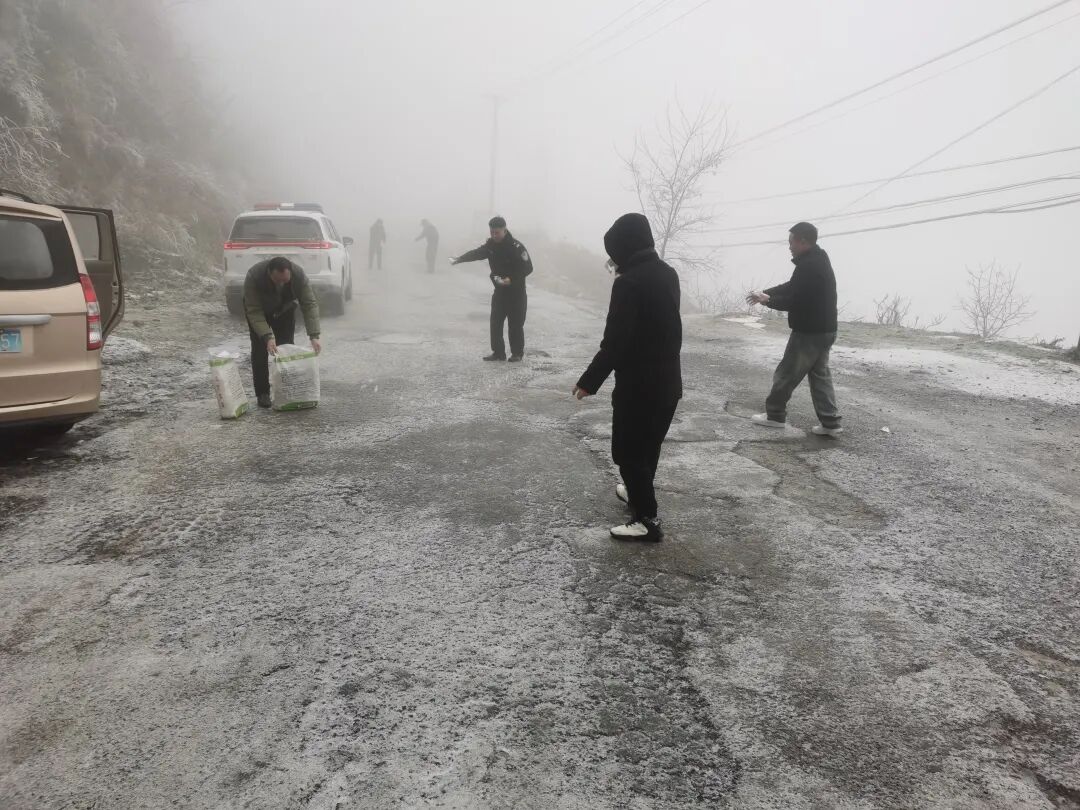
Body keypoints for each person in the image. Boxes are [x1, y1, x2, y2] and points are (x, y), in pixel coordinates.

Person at [573, 213, 682, 542]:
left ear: (624, 247)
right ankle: (637, 493)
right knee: (648, 448)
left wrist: (589, 381)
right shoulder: (667, 273)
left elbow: (615, 342)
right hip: (668, 383)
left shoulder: (628, 283)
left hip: (639, 387)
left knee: (628, 452)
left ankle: (647, 520)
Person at [746, 221, 842, 436]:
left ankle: (774, 415)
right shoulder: (818, 258)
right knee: (820, 376)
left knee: (787, 373)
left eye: (791, 242)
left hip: (809, 332)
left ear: (803, 241)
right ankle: (830, 423)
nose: (789, 247)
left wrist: (768, 301)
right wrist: (767, 293)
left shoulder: (809, 266)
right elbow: (793, 287)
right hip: (826, 330)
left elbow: (795, 301)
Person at [451, 216, 533, 362]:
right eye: (492, 232)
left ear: (504, 230)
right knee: (495, 323)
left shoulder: (517, 247)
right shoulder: (491, 246)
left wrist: (511, 279)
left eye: (497, 232)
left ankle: (517, 354)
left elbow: (528, 268)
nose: (494, 235)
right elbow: (476, 253)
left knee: (515, 324)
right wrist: (460, 259)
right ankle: (498, 353)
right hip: (500, 292)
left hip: (516, 293)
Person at [244, 256, 322, 409]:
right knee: (260, 350)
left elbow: (309, 304)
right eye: (277, 280)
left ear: (290, 273)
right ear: (269, 273)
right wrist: (267, 336)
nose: (281, 284)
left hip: (285, 310)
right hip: (259, 311)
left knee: (286, 349)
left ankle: (288, 389)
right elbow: (253, 310)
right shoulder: (254, 276)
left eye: (285, 281)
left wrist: (314, 335)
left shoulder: (299, 276)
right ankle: (262, 393)